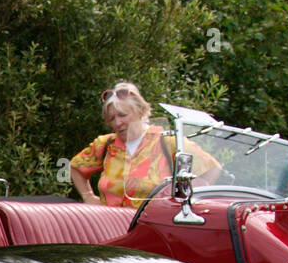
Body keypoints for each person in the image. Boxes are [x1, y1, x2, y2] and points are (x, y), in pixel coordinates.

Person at [70, 82, 220, 207]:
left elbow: (212, 168)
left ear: (140, 111)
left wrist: (186, 200)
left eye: (122, 115)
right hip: (110, 227)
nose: (117, 123)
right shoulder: (106, 144)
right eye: (112, 118)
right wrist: (88, 196)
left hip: (151, 230)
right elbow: (75, 167)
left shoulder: (167, 141)